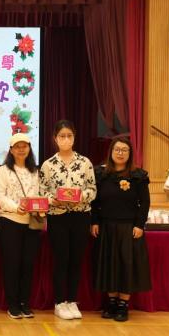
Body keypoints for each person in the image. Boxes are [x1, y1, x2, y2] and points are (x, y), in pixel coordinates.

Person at [39, 120, 96, 320]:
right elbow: (42, 191)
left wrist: (80, 196)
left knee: (76, 259)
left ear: (74, 137)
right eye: (62, 136)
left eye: (69, 136)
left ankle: (72, 301)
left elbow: (92, 189)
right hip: (58, 217)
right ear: (55, 138)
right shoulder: (48, 164)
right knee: (61, 259)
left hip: (80, 216)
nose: (66, 139)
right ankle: (59, 302)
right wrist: (52, 199)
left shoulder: (85, 162)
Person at [91, 136, 151, 322]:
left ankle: (123, 304)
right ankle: (111, 302)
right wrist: (94, 222)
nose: (120, 153)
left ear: (130, 153)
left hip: (129, 227)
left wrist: (139, 225)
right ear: (111, 152)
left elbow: (144, 203)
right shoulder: (100, 173)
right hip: (106, 226)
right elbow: (94, 201)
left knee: (126, 265)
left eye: (124, 150)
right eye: (117, 149)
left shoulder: (138, 175)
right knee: (109, 264)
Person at [0, 133, 42, 319]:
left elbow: (38, 194)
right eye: (17, 146)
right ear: (11, 150)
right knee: (12, 264)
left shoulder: (34, 170)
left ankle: (24, 303)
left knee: (28, 264)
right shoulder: (4, 170)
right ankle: (12, 304)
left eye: (25, 146)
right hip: (10, 221)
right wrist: (16, 208)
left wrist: (39, 207)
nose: (21, 149)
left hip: (31, 222)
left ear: (29, 148)